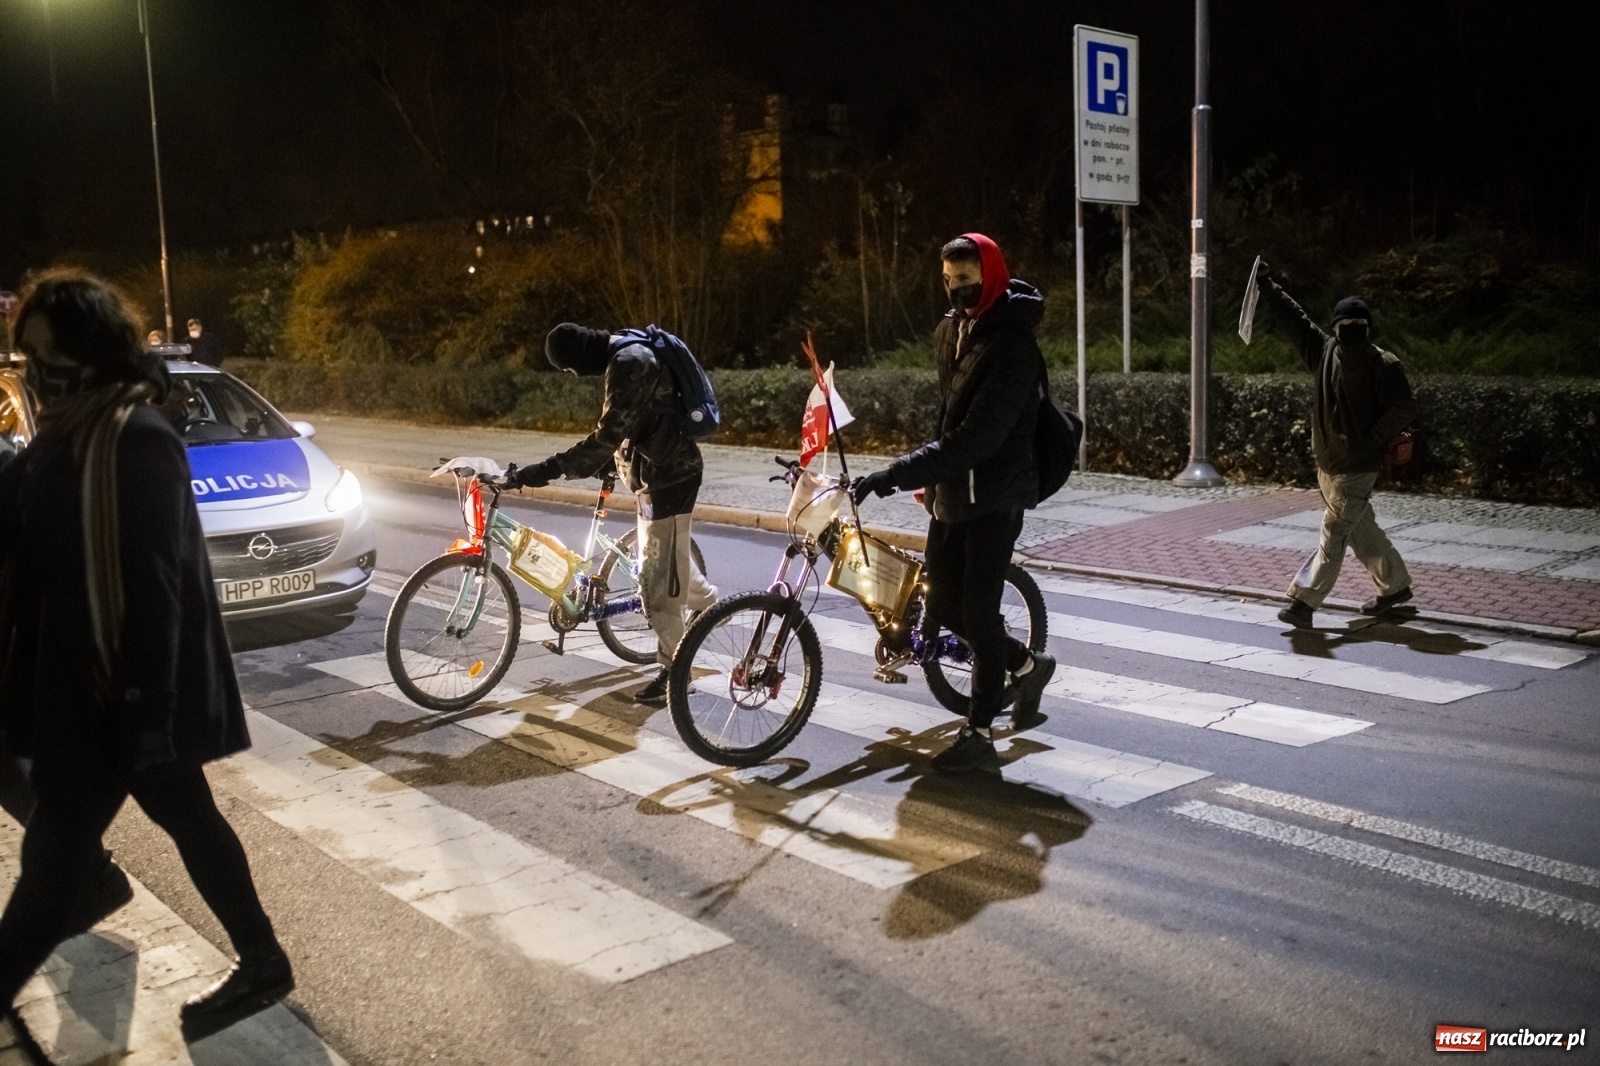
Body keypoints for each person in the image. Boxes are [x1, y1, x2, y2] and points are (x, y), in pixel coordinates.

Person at [0, 271, 292, 1042]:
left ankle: (261, 958)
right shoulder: (67, 438)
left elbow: (156, 589)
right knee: (185, 818)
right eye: (24, 356)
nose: (34, 373)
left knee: (52, 867)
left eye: (45, 353)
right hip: (100, 693)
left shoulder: (134, 438)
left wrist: (145, 713)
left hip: (118, 696)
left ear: (89, 353)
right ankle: (263, 958)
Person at [850, 233, 1057, 774]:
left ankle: (980, 731)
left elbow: (976, 439)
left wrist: (897, 474)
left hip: (995, 493)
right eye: (948, 282)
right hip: (952, 494)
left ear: (989, 276)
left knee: (977, 613)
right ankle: (1028, 665)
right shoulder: (952, 331)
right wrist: (929, 482)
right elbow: (948, 417)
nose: (957, 291)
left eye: (966, 282)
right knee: (940, 605)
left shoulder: (1014, 347)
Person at [511, 323, 717, 704]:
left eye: (571, 369)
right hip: (658, 476)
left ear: (580, 354)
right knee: (672, 564)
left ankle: (677, 673)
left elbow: (607, 434)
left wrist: (541, 472)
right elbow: (638, 420)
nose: (574, 376)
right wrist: (615, 462)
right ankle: (710, 606)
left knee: (657, 591)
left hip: (670, 479)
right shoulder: (625, 350)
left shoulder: (628, 361)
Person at [1255, 263, 1416, 628]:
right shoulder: (1324, 352)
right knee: (1361, 530)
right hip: (1328, 464)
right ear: (1335, 328)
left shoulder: (1384, 364)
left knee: (1334, 533)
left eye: (1358, 326)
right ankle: (1395, 588)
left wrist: (1372, 439)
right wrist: (1267, 286)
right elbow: (1294, 320)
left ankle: (1303, 602)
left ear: (1367, 327)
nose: (1352, 331)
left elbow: (1405, 406)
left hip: (1356, 469)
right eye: (1346, 326)